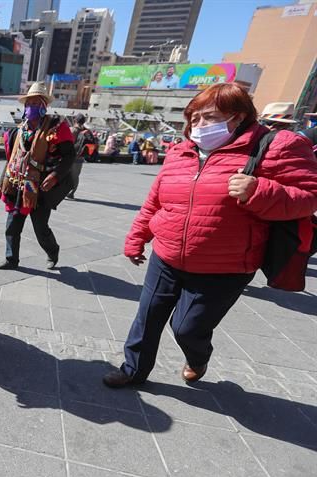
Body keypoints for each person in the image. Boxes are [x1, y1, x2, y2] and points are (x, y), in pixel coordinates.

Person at [103, 82, 317, 388]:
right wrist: (137, 237)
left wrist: (259, 190)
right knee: (147, 317)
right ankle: (132, 369)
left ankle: (198, 357)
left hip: (225, 266)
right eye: (194, 118)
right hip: (167, 254)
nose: (199, 125)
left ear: (239, 116)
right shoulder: (180, 151)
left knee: (187, 328)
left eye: (210, 117)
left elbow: (309, 195)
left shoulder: (275, 146)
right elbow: (156, 199)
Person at [0, 81, 75, 271]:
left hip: (41, 189)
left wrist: (55, 175)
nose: (31, 107)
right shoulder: (17, 132)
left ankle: (52, 251)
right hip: (17, 184)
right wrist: (0, 183)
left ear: (44, 106)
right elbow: (11, 160)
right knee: (12, 225)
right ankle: (11, 259)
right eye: (29, 104)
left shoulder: (55, 128)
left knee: (40, 229)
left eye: (36, 103)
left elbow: (70, 155)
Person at [69, 113, 95, 199]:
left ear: (75, 120)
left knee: (65, 174)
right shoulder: (86, 131)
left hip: (69, 157)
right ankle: (72, 193)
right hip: (80, 157)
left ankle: (64, 191)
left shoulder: (71, 130)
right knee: (75, 176)